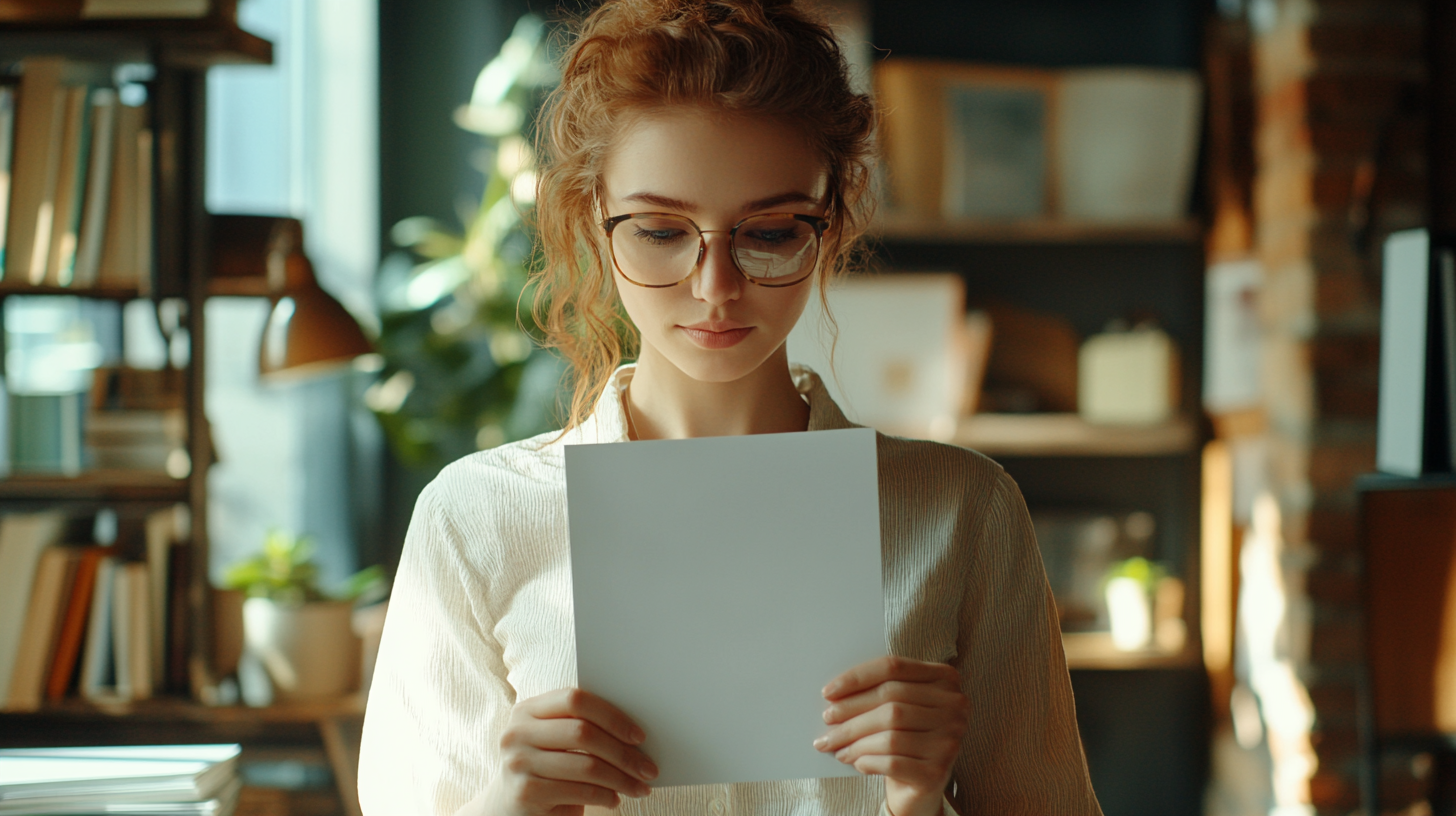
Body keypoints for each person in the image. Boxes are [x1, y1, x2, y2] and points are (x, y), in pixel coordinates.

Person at [357, 1, 1103, 814]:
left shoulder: (962, 511)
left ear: (832, 220)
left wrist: (920, 800)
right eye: (658, 230)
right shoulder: (477, 517)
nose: (716, 287)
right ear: (592, 220)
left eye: (773, 232)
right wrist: (505, 803)